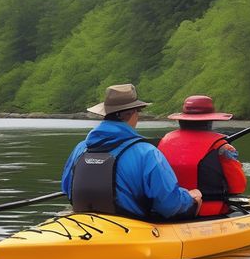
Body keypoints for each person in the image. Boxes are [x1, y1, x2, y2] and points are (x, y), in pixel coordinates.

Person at [62, 84, 202, 219]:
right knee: (195, 200)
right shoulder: (147, 152)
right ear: (133, 113)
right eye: (138, 111)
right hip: (130, 227)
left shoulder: (80, 149)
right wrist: (190, 198)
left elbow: (67, 189)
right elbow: (169, 205)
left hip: (86, 223)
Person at [158, 95, 247, 217]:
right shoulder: (222, 147)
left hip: (168, 210)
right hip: (208, 210)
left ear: (181, 120)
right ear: (209, 121)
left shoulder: (164, 141)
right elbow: (238, 186)